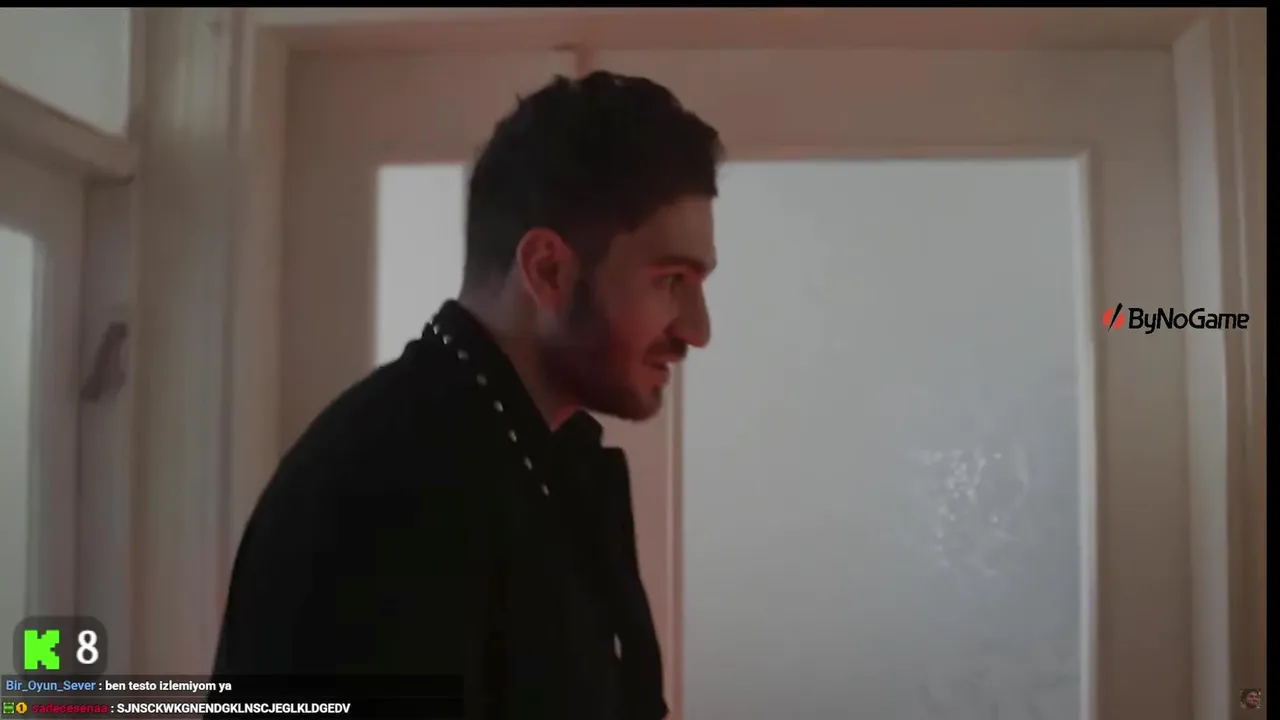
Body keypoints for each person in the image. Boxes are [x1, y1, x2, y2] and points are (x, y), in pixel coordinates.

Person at [210, 70, 722, 720]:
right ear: (548, 270)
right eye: (671, 280)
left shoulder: (559, 459)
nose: (697, 331)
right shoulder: (384, 489)